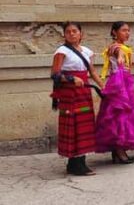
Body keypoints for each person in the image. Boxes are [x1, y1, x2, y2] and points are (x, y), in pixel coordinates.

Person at [50, 21, 104, 176]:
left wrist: (103, 86)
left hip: (84, 92)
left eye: (75, 31)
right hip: (69, 93)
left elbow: (92, 72)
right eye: (68, 31)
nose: (72, 34)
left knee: (84, 125)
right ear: (64, 35)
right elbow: (55, 74)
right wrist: (71, 79)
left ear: (81, 33)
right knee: (73, 125)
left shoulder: (87, 52)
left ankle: (80, 161)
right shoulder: (61, 51)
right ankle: (74, 163)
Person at [95, 21, 134, 164]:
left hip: (121, 82)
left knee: (118, 116)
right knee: (120, 115)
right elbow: (119, 59)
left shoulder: (119, 47)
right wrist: (120, 59)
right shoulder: (118, 48)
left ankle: (117, 150)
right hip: (120, 83)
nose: (127, 33)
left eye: (128, 30)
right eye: (124, 30)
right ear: (114, 32)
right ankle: (119, 150)